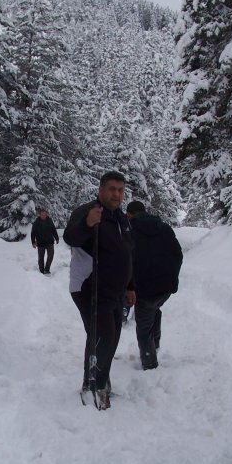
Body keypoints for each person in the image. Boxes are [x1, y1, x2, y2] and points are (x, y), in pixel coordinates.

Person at [63, 171, 136, 408]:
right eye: (112, 189)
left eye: (120, 190)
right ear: (101, 190)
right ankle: (92, 386)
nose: (117, 194)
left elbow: (127, 255)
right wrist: (87, 224)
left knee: (111, 338)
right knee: (102, 337)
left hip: (115, 290)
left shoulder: (121, 218)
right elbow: (70, 237)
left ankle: (101, 380)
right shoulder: (88, 212)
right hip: (89, 287)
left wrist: (131, 286)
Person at [126, 200, 182, 370]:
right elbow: (177, 255)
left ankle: (150, 365)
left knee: (144, 327)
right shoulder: (164, 228)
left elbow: (127, 262)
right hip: (165, 288)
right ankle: (155, 344)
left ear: (129, 214)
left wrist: (129, 286)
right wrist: (172, 279)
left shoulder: (130, 232)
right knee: (154, 309)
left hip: (143, 289)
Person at [30, 207, 59, 274]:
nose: (44, 216)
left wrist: (57, 238)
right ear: (39, 215)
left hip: (50, 242)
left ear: (47, 214)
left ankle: (47, 269)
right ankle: (41, 271)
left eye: (45, 215)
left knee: (51, 256)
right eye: (42, 215)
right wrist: (33, 242)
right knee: (41, 258)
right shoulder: (36, 222)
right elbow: (33, 233)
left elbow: (53, 229)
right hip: (41, 243)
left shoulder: (50, 220)